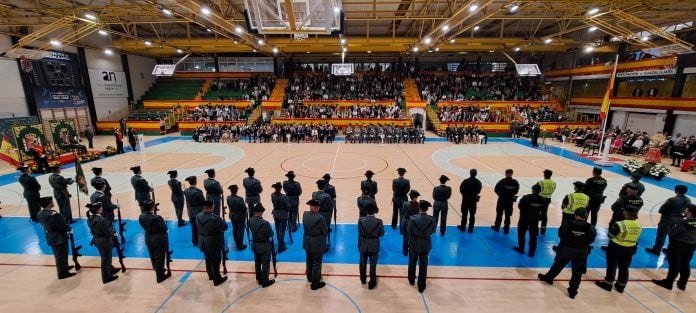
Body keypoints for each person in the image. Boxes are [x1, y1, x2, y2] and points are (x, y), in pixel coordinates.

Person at [538, 208, 596, 299]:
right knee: (578, 272)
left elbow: (561, 235)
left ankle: (549, 278)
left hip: (567, 249)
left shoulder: (568, 224)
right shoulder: (590, 227)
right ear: (586, 216)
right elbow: (592, 239)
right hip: (582, 251)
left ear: (575, 215)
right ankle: (573, 290)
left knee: (558, 264)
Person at [595, 205, 642, 293]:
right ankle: (621, 286)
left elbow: (610, 235)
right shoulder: (639, 225)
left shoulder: (620, 224)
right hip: (630, 249)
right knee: (624, 268)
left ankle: (608, 284)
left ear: (626, 213)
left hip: (616, 248)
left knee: (612, 266)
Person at [652, 204, 696, 290]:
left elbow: (672, 232)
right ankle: (682, 284)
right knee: (685, 264)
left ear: (690, 213)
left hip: (678, 245)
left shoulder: (684, 223)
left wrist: (674, 226)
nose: (685, 212)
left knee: (674, 265)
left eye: (686, 210)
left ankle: (668, 283)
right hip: (692, 246)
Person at [37, 196, 76, 279]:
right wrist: (69, 229)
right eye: (51, 201)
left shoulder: (40, 213)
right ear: (49, 203)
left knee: (60, 254)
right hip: (59, 237)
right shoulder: (53, 215)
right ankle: (62, 273)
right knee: (60, 255)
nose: (53, 202)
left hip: (50, 236)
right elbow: (62, 225)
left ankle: (64, 267)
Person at [646, 185, 691, 255]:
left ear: (676, 191)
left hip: (667, 219)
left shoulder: (672, 200)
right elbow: (687, 211)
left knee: (661, 235)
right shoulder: (688, 200)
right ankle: (669, 250)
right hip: (679, 219)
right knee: (673, 236)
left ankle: (656, 250)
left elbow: (661, 210)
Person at [138, 199, 171, 283]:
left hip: (148, 237)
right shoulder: (157, 218)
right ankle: (160, 277)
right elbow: (164, 228)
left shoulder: (141, 216)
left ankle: (158, 270)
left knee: (152, 257)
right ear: (152, 207)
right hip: (158, 239)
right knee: (159, 258)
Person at [197, 200, 228, 286]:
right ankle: (217, 279)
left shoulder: (198, 216)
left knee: (208, 259)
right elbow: (224, 227)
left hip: (202, 241)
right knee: (215, 260)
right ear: (211, 207)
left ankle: (210, 275)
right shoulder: (215, 218)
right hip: (213, 242)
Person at [86, 202, 119, 284]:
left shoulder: (89, 218)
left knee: (105, 257)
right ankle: (106, 277)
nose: (102, 209)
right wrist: (113, 234)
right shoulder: (101, 220)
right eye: (100, 208)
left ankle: (111, 269)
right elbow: (107, 232)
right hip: (104, 241)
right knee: (106, 259)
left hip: (97, 240)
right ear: (97, 210)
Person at [407, 200, 435, 293]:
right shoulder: (431, 219)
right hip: (426, 244)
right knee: (423, 266)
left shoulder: (412, 218)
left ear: (419, 208)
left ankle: (411, 280)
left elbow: (409, 231)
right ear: (427, 209)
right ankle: (421, 286)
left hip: (414, 243)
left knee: (412, 262)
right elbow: (433, 231)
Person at [513, 184, 546, 257]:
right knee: (533, 236)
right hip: (534, 220)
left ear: (532, 190)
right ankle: (531, 252)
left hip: (524, 218)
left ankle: (521, 248)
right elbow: (544, 211)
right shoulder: (542, 199)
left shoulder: (526, 197)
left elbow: (520, 206)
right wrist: (538, 216)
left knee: (521, 233)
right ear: (540, 191)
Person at [358, 202, 384, 290]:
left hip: (364, 243)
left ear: (366, 211)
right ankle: (372, 282)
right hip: (374, 244)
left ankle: (363, 279)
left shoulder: (361, 220)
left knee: (362, 263)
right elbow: (381, 234)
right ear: (374, 211)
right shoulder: (379, 221)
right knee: (373, 265)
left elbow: (360, 232)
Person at [303, 199, 329, 290]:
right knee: (316, 263)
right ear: (317, 208)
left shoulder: (305, 214)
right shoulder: (320, 218)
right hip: (317, 243)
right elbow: (325, 230)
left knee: (309, 260)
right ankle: (315, 283)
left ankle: (309, 277)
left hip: (307, 241)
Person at [249, 203, 275, 288]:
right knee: (265, 264)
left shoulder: (250, 220)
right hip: (264, 246)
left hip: (255, 245)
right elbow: (271, 234)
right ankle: (265, 281)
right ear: (260, 212)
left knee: (257, 262)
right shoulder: (265, 223)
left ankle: (259, 279)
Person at [492, 169, 520, 234]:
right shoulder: (515, 182)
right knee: (508, 215)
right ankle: (506, 229)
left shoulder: (502, 181)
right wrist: (511, 194)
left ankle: (497, 227)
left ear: (506, 173)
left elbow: (496, 189)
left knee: (499, 214)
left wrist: (500, 195)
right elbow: (516, 191)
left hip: (502, 199)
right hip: (510, 200)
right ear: (512, 173)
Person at [312, 179, 334, 252]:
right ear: (324, 187)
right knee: (324, 231)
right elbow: (331, 206)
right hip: (325, 215)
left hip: (316, 214)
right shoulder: (327, 196)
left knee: (317, 230)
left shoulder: (314, 194)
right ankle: (323, 247)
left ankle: (317, 245)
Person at [458, 169, 482, 233]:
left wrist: (465, 195)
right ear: (476, 174)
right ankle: (471, 228)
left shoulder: (465, 181)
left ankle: (463, 227)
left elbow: (461, 190)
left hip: (465, 200)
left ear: (470, 173)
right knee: (472, 215)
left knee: (464, 214)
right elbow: (479, 190)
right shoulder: (478, 182)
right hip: (473, 200)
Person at [184, 176, 205, 246]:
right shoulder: (198, 191)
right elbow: (203, 201)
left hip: (190, 211)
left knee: (193, 227)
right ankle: (200, 240)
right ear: (195, 182)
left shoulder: (186, 191)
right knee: (200, 227)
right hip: (198, 211)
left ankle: (194, 241)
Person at [270, 182, 290, 253]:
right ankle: (280, 246)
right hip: (283, 215)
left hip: (275, 214)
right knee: (282, 231)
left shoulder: (272, 195)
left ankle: (280, 242)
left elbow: (273, 203)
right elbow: (288, 207)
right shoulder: (284, 197)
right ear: (281, 188)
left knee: (278, 229)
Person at [227, 185, 248, 251]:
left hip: (232, 215)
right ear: (236, 190)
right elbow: (244, 208)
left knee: (235, 229)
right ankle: (240, 245)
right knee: (240, 231)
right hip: (240, 216)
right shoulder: (239, 199)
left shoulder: (228, 197)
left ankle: (236, 243)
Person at [401, 190, 421, 256]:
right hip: (414, 223)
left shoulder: (405, 203)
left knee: (405, 237)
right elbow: (418, 215)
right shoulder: (418, 205)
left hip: (406, 222)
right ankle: (413, 251)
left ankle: (405, 251)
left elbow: (403, 212)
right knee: (414, 237)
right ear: (415, 198)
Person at [537, 169, 556, 235]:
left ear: (545, 174)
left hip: (540, 198)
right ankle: (543, 229)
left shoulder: (540, 182)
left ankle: (535, 227)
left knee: (536, 212)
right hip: (548, 199)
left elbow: (536, 190)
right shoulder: (554, 182)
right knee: (544, 213)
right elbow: (553, 190)